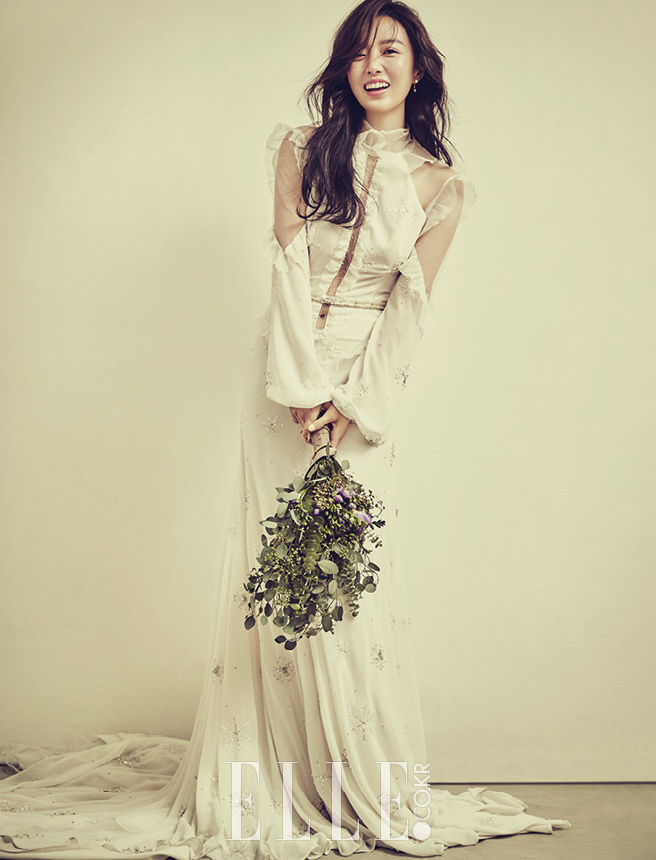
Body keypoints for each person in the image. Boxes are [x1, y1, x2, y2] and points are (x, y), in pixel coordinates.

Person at [0, 1, 570, 858]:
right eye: (359, 52)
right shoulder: (301, 149)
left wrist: (354, 406)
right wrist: (302, 389)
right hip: (281, 379)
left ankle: (351, 780)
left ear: (419, 68)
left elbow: (409, 311)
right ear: (344, 68)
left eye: (391, 50)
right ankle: (260, 776)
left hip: (363, 392)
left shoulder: (442, 187)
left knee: (345, 587)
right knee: (273, 575)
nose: (374, 65)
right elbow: (289, 267)